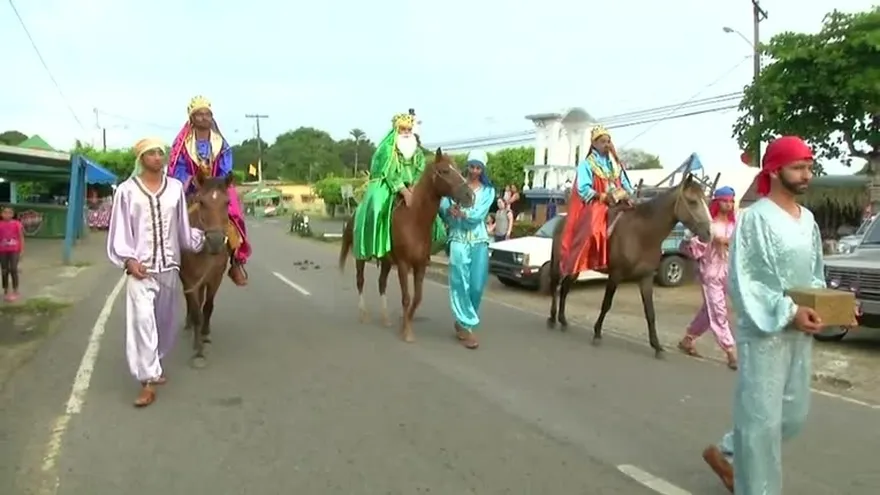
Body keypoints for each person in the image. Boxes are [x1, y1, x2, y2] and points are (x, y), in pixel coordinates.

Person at [701, 136, 850, 494]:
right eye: (798, 167)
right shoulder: (754, 220)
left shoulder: (808, 220)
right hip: (763, 331)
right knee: (762, 422)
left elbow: (814, 275)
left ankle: (725, 453)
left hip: (799, 333)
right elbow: (746, 281)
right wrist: (789, 311)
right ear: (775, 170)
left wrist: (832, 308)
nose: (806, 175)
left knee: (791, 417)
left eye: (809, 167)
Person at [108, 138, 206, 408]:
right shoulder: (127, 191)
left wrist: (201, 240)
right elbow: (119, 230)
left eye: (160, 153)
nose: (157, 157)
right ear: (140, 158)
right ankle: (147, 381)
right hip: (141, 269)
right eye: (150, 153)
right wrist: (129, 260)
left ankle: (154, 363)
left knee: (164, 323)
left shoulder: (175, 188)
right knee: (142, 322)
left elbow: (183, 228)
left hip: (169, 268)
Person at [167, 95, 250, 286]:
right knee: (169, 215)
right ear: (192, 117)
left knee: (234, 213)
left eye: (208, 114)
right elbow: (176, 166)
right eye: (200, 114)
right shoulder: (182, 144)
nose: (204, 118)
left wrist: (217, 181)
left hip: (217, 186)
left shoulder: (220, 142)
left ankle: (236, 262)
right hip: (190, 187)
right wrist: (191, 180)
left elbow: (226, 165)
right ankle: (167, 260)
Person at [353, 112, 445, 260]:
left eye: (409, 130)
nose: (407, 133)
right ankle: (374, 245)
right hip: (389, 184)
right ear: (396, 130)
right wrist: (403, 190)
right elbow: (389, 171)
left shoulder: (417, 151)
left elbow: (420, 169)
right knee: (376, 206)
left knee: (432, 214)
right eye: (403, 130)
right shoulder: (387, 149)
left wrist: (414, 188)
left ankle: (428, 247)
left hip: (414, 187)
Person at [558, 125, 634, 276]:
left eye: (608, 141)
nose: (606, 145)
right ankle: (591, 260)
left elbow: (627, 185)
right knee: (593, 229)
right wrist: (602, 196)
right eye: (603, 142)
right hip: (599, 203)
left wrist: (625, 193)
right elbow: (583, 189)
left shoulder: (616, 164)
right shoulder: (586, 165)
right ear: (594, 144)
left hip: (620, 202)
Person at [440, 150, 495, 350]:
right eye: (471, 166)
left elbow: (479, 214)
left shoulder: (489, 191)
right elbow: (444, 203)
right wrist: (448, 210)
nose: (474, 171)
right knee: (459, 282)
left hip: (479, 239)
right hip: (458, 238)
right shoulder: (457, 185)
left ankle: (463, 321)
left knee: (477, 285)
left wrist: (462, 213)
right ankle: (467, 326)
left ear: (483, 170)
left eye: (478, 167)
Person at [678, 186, 738, 369]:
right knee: (718, 311)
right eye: (725, 201)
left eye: (731, 201)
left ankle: (688, 339)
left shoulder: (736, 225)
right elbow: (691, 249)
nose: (728, 204)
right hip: (710, 272)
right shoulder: (708, 226)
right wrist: (710, 240)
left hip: (730, 272)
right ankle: (730, 351)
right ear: (717, 202)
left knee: (709, 310)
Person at [0, 206, 24, 302]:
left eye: (9, 212)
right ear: (1, 214)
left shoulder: (17, 224)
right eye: (5, 212)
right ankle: (6, 289)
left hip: (15, 250)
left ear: (13, 214)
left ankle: (15, 289)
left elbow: (21, 237)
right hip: (2, 250)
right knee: (4, 270)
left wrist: (22, 250)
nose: (7, 214)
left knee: (13, 269)